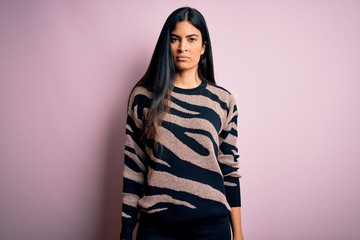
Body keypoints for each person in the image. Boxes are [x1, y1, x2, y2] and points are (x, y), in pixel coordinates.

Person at [120, 7, 243, 240]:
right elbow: (133, 169)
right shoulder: (144, 97)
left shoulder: (223, 100)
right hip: (156, 227)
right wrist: (126, 232)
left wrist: (238, 232)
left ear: (204, 46)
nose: (182, 48)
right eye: (175, 39)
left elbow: (230, 169)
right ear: (166, 44)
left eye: (191, 39)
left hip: (211, 227)